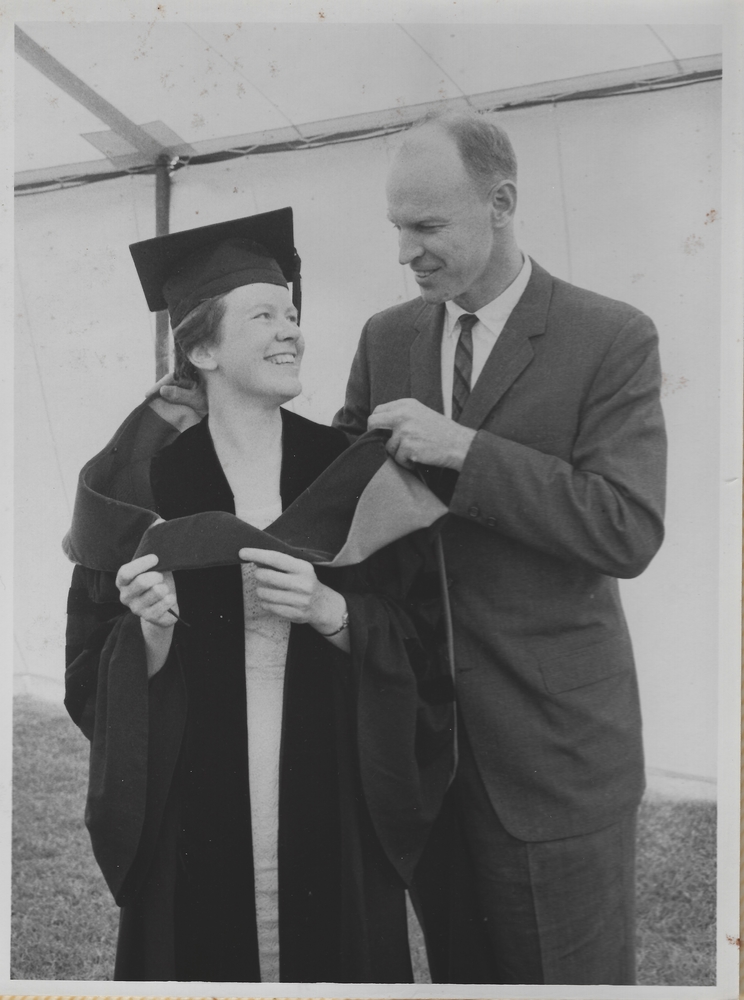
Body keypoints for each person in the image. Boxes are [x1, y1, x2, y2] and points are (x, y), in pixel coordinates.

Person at [63, 209, 465, 983]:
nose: (291, 331)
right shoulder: (137, 490)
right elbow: (91, 666)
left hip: (334, 802)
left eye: (292, 313)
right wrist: (147, 638)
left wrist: (335, 614)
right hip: (191, 806)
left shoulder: (353, 474)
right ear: (204, 348)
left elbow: (424, 645)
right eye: (264, 315)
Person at [330, 110, 668, 985]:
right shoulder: (386, 338)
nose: (405, 252)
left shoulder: (611, 336)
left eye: (427, 226)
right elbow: (334, 501)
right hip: (426, 756)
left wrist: (466, 453)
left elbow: (625, 526)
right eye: (397, 228)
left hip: (554, 760)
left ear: (503, 203)